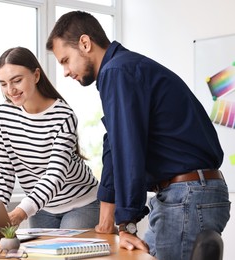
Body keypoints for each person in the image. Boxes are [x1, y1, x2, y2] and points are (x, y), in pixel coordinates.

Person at [46, 10, 230, 260]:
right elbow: (113, 144)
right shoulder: (122, 69)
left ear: (85, 43)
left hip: (187, 195)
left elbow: (127, 149)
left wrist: (128, 221)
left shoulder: (118, 71)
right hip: (190, 192)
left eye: (65, 60)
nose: (65, 71)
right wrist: (109, 217)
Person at [0, 46, 99, 229]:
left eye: (16, 80)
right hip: (42, 207)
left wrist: (21, 212)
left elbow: (55, 174)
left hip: (81, 203)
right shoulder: (5, 113)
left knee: (66, 254)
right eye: (3, 84)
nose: (10, 90)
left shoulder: (63, 115)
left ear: (36, 75)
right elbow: (3, 171)